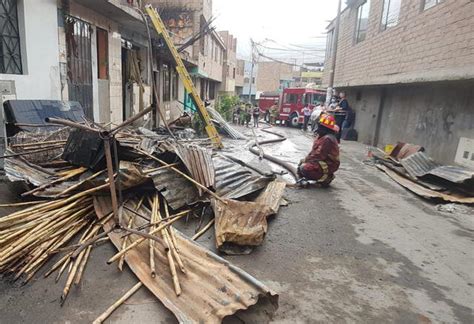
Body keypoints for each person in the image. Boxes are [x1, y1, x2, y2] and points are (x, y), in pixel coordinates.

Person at [297, 113, 340, 187]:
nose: (318, 128)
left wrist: (307, 161)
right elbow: (314, 151)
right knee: (301, 166)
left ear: (325, 128)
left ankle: (326, 178)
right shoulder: (322, 136)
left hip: (328, 164)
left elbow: (319, 155)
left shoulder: (328, 139)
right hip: (323, 161)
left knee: (305, 168)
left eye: (320, 126)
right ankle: (309, 178)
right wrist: (305, 159)